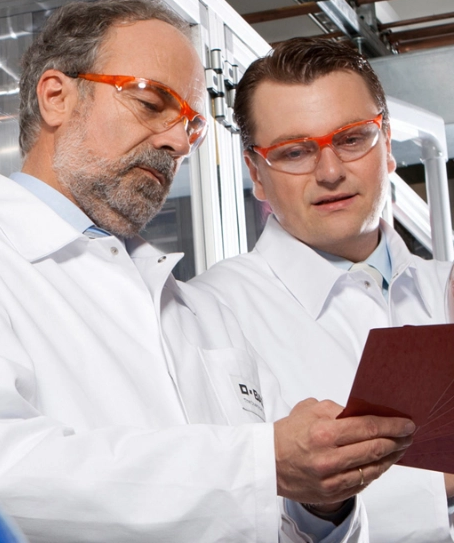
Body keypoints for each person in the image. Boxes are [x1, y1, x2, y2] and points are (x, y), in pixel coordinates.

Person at [0, 0, 413, 543]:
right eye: (151, 101)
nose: (177, 141)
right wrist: (260, 463)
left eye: (190, 123)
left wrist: (321, 505)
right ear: (57, 96)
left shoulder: (197, 311)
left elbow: (271, 515)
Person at [192, 36, 453, 543]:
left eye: (353, 139)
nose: (331, 171)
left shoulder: (444, 286)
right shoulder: (207, 314)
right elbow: (242, 516)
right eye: (294, 151)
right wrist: (438, 484)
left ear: (388, 143)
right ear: (257, 175)